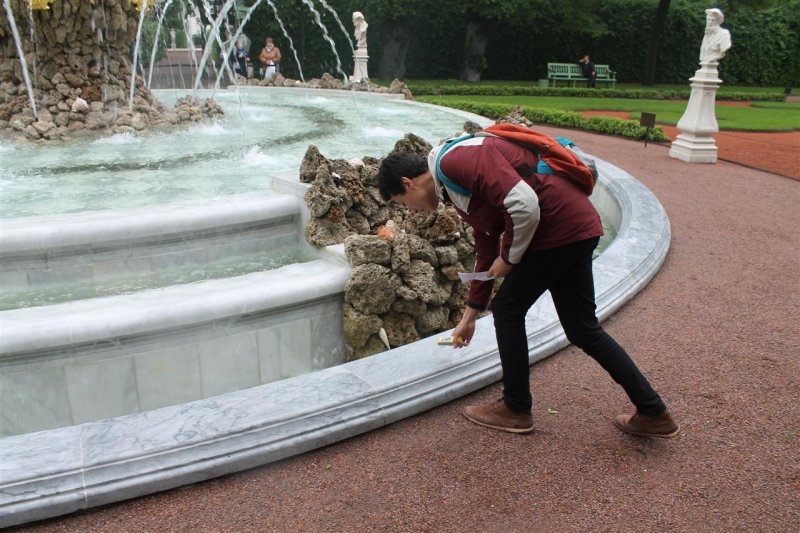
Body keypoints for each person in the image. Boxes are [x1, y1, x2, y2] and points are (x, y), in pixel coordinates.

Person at [377, 131, 680, 438]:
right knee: (582, 329)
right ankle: (653, 412)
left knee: (508, 310)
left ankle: (516, 407)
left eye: (403, 203)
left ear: (408, 183)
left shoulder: (456, 161)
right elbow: (486, 249)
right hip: (577, 228)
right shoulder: (453, 186)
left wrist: (510, 258)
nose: (410, 210)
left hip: (557, 230)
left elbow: (524, 204)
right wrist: (468, 319)